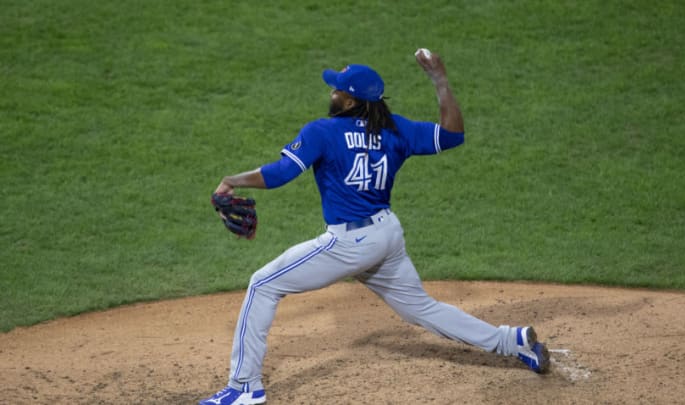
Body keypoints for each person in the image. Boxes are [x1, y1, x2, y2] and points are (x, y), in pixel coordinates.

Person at [199, 50, 550, 405]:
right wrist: (440, 81)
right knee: (421, 309)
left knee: (263, 284)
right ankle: (512, 341)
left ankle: (245, 388)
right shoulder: (395, 130)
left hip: (349, 243)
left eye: (336, 90)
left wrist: (232, 180)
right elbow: (452, 134)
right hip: (386, 235)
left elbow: (279, 174)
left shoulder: (322, 131)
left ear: (349, 100)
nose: (331, 94)